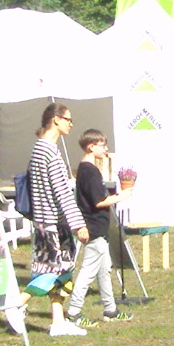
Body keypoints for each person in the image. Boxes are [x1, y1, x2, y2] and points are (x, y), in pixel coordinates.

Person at [29, 103, 91, 339]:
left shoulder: (39, 148)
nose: (71, 124)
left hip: (44, 221)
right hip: (53, 223)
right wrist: (79, 224)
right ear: (56, 119)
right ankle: (17, 303)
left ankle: (58, 321)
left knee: (62, 272)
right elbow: (62, 193)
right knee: (52, 271)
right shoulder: (49, 151)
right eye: (68, 119)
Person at [68, 127, 126, 327]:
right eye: (102, 145)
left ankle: (110, 310)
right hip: (94, 227)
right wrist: (122, 196)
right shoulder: (90, 171)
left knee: (104, 270)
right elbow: (99, 201)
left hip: (97, 226)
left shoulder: (86, 169)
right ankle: (73, 312)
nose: (106, 149)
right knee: (88, 271)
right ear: (91, 147)